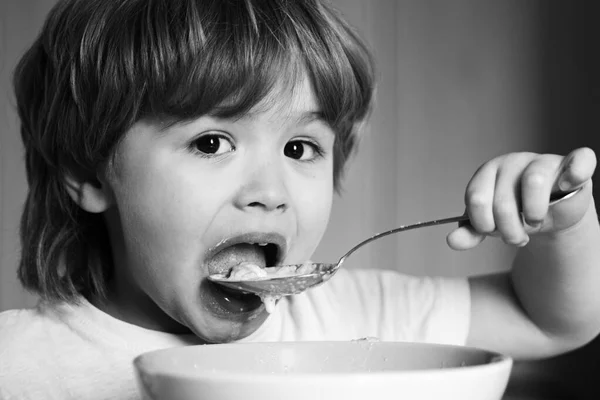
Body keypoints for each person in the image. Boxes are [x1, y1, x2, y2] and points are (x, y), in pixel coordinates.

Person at [1, 0, 599, 399]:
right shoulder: (18, 365)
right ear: (90, 173)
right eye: (212, 142)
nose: (271, 194)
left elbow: (547, 319)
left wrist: (562, 225)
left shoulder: (359, 320)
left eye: (300, 148)